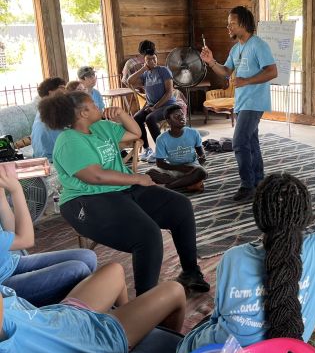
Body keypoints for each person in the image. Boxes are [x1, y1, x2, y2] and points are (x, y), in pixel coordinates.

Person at [39, 91, 209, 295]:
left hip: (122, 189)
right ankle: (146, 302)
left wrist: (121, 114)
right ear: (83, 113)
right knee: (147, 235)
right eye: (92, 104)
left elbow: (135, 133)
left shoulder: (101, 127)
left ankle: (191, 272)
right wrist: (138, 178)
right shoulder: (69, 140)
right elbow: (95, 176)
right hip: (86, 199)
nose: (97, 106)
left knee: (180, 206)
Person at [175, 173, 315, 353]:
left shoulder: (234, 259)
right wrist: (293, 318)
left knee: (181, 305)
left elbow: (219, 319)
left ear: (259, 217)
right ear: (307, 215)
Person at [0, 262, 185, 353]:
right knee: (175, 290)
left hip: (58, 317)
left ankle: (130, 325)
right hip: (90, 340)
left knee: (115, 269)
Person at [200, 6, 278, 202]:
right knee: (251, 142)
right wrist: (211, 62)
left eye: (232, 23)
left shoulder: (258, 45)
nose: (228, 27)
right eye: (228, 24)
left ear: (243, 24)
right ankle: (259, 181)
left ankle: (247, 185)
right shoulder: (236, 49)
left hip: (255, 101)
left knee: (239, 141)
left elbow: (272, 71)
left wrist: (247, 81)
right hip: (242, 102)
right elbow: (226, 71)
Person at [0, 163, 97, 306]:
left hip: (9, 263)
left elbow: (11, 232)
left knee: (88, 257)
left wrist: (1, 196)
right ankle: (69, 315)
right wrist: (16, 191)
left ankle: (83, 306)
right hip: (4, 286)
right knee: (77, 270)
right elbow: (26, 240)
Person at [128, 48, 177, 163]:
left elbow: (169, 92)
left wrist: (155, 107)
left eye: (153, 59)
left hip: (167, 105)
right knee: (137, 118)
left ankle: (161, 151)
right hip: (151, 106)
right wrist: (143, 68)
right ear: (144, 61)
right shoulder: (145, 74)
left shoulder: (163, 71)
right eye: (148, 59)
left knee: (150, 118)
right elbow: (129, 81)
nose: (152, 61)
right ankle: (147, 149)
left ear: (157, 59)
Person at [147, 104, 207, 192]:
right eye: (176, 116)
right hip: (173, 168)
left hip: (192, 168)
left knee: (201, 172)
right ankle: (189, 184)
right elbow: (160, 163)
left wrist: (202, 158)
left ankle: (167, 188)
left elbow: (201, 153)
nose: (181, 117)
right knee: (149, 173)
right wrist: (181, 168)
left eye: (182, 114)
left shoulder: (194, 133)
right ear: (168, 121)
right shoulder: (161, 139)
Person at [31, 77, 66, 161]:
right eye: (62, 88)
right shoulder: (51, 113)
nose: (65, 91)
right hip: (50, 159)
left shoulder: (45, 110)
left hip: (47, 156)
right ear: (51, 92)